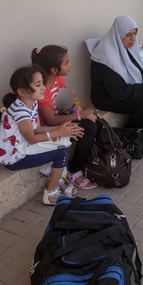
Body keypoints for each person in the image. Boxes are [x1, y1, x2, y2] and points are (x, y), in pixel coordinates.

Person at [0, 66, 83, 205]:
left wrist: (62, 128)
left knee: (61, 140)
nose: (44, 87)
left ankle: (56, 178)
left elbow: (37, 128)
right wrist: (58, 132)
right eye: (38, 85)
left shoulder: (31, 103)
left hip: (23, 147)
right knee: (61, 152)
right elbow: (31, 138)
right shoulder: (20, 112)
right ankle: (51, 194)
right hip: (15, 158)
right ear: (22, 91)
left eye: (43, 83)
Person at [86, 15, 143, 144]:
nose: (133, 39)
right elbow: (119, 90)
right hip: (106, 97)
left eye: (135, 33)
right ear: (119, 35)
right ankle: (132, 134)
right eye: (128, 35)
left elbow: (138, 69)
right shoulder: (105, 56)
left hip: (120, 90)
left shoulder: (125, 47)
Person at [31, 46, 99, 190]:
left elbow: (63, 98)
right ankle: (74, 171)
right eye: (66, 63)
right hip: (44, 129)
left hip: (55, 119)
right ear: (54, 70)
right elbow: (50, 120)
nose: (70, 65)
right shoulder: (42, 90)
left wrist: (74, 108)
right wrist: (80, 115)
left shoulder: (58, 80)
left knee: (92, 123)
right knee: (87, 127)